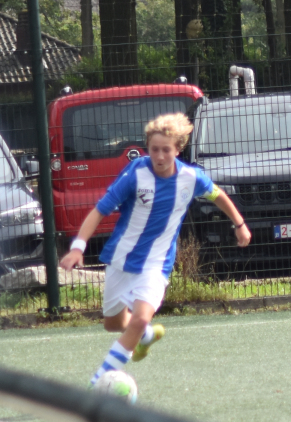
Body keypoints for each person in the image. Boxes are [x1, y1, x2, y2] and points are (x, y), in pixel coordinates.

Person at [61, 112, 251, 388]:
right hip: (121, 259)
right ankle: (146, 335)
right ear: (147, 148)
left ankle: (97, 382)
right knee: (113, 324)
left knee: (138, 319)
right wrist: (78, 248)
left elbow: (217, 195)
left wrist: (239, 224)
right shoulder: (135, 174)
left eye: (166, 150)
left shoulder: (190, 177)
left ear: (178, 149)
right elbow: (99, 210)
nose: (159, 156)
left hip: (156, 265)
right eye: (154, 150)